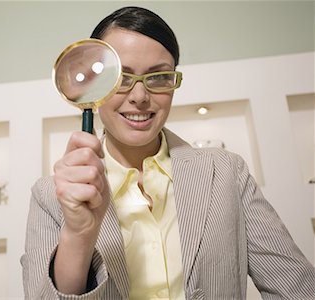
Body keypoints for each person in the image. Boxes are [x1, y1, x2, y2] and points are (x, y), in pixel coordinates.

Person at [21, 6, 315, 299]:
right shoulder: (50, 196)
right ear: (96, 87)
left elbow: (296, 289)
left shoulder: (227, 173)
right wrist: (78, 235)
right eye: (121, 78)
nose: (139, 97)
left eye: (159, 76)